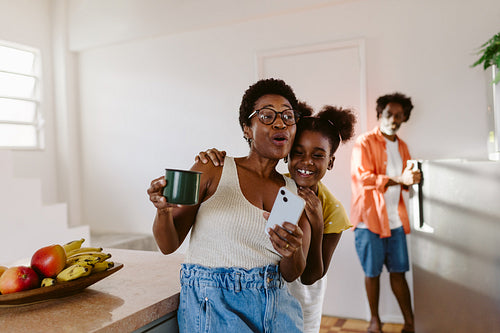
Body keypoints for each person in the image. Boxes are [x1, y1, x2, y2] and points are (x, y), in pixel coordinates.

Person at [147, 78, 311, 332]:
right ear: (247, 128)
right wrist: (163, 211)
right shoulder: (214, 168)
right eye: (267, 116)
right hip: (216, 306)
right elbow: (168, 245)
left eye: (288, 116)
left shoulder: (293, 191)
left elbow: (291, 274)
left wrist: (292, 251)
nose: (281, 122)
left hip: (278, 309)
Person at [197, 102, 357, 332]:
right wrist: (212, 158)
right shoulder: (274, 186)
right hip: (264, 293)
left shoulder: (332, 209)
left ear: (330, 162)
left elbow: (312, 276)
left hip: (304, 299)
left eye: (318, 155)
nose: (307, 162)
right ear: (287, 155)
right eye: (298, 153)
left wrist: (318, 224)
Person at [350, 92, 421, 333]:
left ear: (404, 118)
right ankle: (374, 321)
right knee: (372, 273)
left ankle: (410, 324)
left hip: (395, 220)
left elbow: (407, 181)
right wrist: (400, 178)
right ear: (380, 114)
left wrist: (412, 179)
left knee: (399, 272)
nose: (394, 119)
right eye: (389, 114)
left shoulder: (403, 147)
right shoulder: (365, 142)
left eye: (399, 116)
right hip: (369, 221)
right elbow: (364, 177)